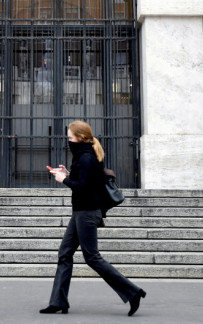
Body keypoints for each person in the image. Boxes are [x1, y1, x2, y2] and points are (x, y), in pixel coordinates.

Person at [40, 121, 146, 316]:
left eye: (70, 138)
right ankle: (58, 301)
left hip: (87, 212)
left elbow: (85, 188)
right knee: (65, 253)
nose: (68, 141)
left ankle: (133, 292)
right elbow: (86, 181)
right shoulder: (84, 155)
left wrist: (64, 180)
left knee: (92, 257)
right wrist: (68, 174)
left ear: (80, 138)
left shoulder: (86, 157)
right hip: (81, 211)